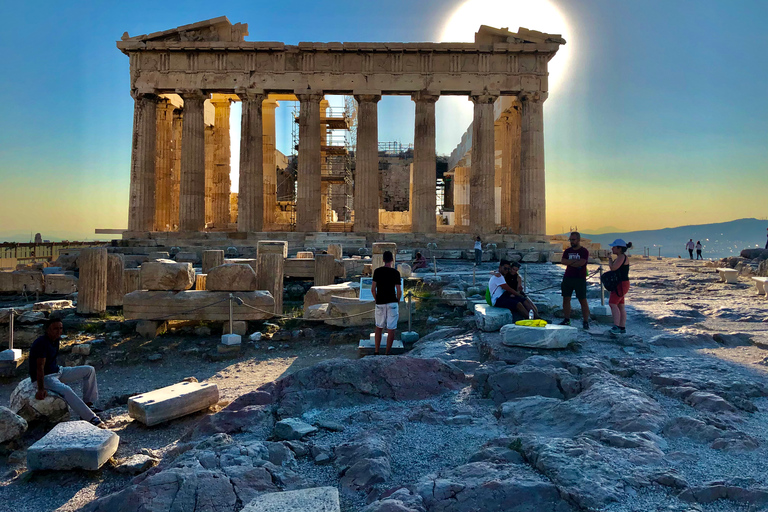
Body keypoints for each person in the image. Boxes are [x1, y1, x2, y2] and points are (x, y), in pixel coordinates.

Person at [29, 318, 106, 428]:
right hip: (46, 377)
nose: (59, 331)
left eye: (60, 328)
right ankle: (90, 417)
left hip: (57, 371)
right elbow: (39, 367)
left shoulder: (55, 340)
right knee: (66, 390)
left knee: (89, 370)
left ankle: (89, 403)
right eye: (55, 328)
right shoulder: (41, 343)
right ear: (47, 330)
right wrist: (41, 389)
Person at [371, 250, 402, 355]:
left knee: (379, 327)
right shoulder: (396, 273)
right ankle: (387, 353)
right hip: (392, 302)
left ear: (383, 260)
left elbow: (372, 289)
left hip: (380, 302)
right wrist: (397, 301)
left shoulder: (377, 271)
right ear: (392, 260)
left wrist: (376, 299)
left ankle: (376, 351)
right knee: (391, 329)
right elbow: (399, 291)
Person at [560, 231, 591, 330]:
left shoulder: (584, 251)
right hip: (568, 277)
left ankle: (586, 321)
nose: (571, 242)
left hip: (580, 278)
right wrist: (574, 262)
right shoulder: (567, 251)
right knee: (566, 298)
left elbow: (581, 263)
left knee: (582, 300)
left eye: (573, 240)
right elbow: (563, 261)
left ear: (578, 240)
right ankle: (566, 319)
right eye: (570, 240)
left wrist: (570, 262)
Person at [607, 239, 632, 335]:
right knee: (620, 305)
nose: (612, 248)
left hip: (621, 284)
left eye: (614, 247)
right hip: (623, 283)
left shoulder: (621, 257)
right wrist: (610, 259)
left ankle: (616, 326)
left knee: (613, 303)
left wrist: (609, 259)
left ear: (619, 248)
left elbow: (613, 268)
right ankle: (622, 327)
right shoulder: (621, 257)